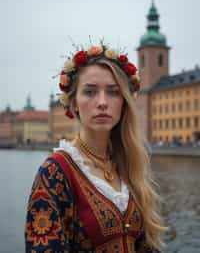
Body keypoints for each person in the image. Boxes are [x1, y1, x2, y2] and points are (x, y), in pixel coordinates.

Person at [25, 43, 167, 252]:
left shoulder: (128, 164)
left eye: (113, 92)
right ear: (73, 104)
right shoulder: (55, 172)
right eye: (90, 92)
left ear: (124, 102)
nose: (102, 102)